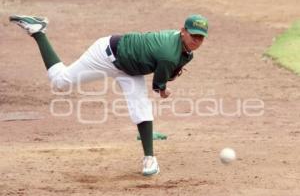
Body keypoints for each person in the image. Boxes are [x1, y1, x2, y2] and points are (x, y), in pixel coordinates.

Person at [9, 14, 208, 176]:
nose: (196, 41)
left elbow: (174, 62)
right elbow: (158, 87)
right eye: (193, 35)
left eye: (200, 37)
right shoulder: (168, 54)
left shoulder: (181, 46)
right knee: (60, 82)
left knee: (141, 107)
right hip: (105, 55)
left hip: (130, 69)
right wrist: (165, 90)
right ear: (183, 31)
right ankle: (38, 31)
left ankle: (150, 158)